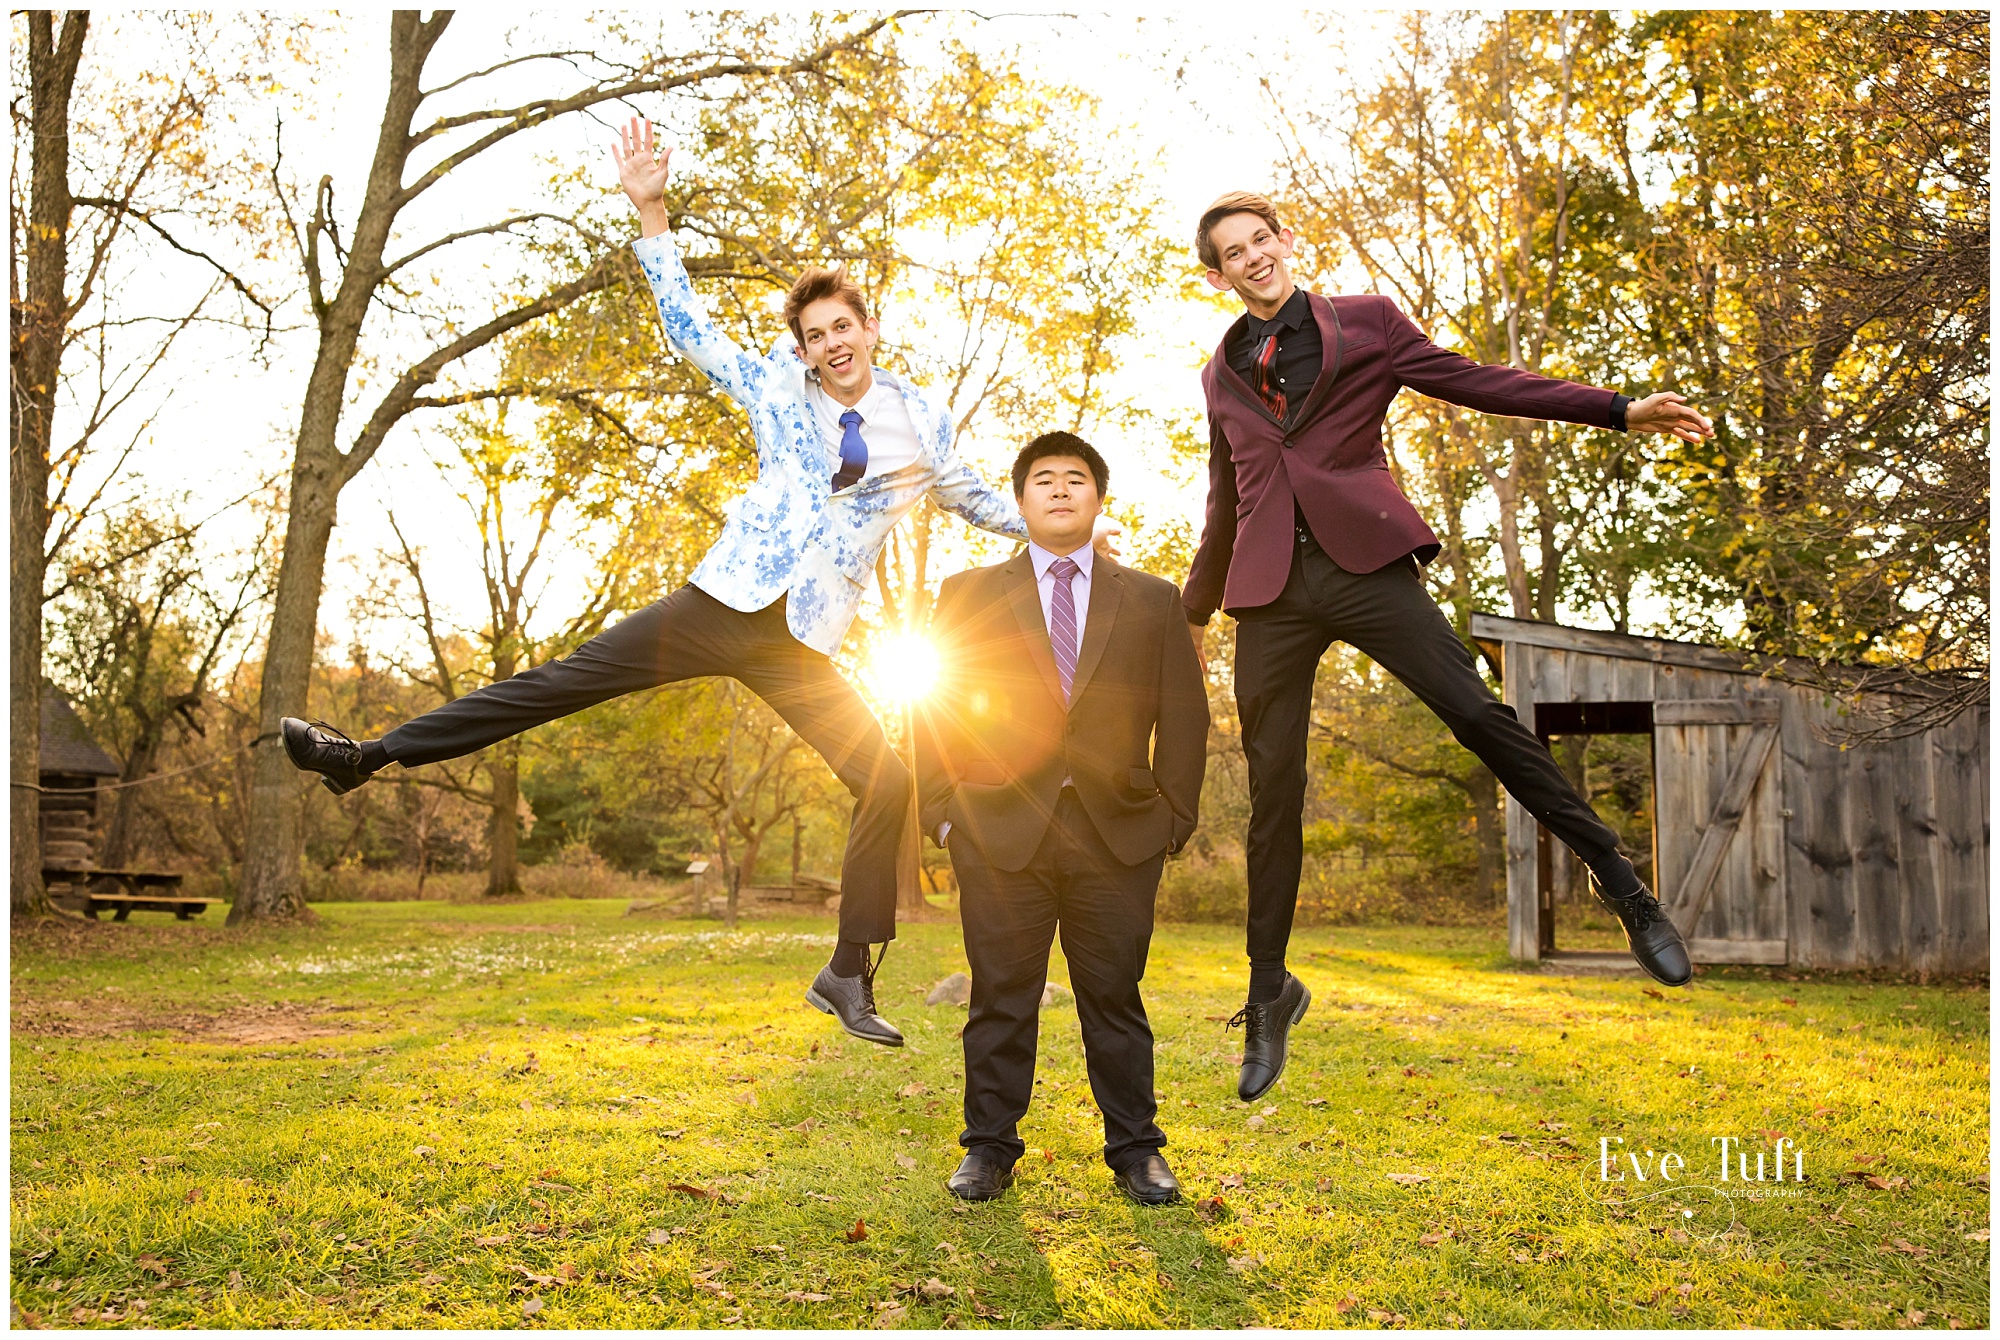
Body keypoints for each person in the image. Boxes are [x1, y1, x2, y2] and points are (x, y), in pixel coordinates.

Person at [279, 117, 1111, 1048]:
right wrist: (652, 210)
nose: (833, 345)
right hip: (721, 603)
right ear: (801, 348)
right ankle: (366, 758)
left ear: (870, 328)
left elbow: (969, 497)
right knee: (555, 682)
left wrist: (1070, 530)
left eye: (844, 327)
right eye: (815, 335)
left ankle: (848, 971)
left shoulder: (922, 420)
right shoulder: (771, 388)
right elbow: (689, 333)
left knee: (887, 777)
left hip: (802, 638)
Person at [1183, 191, 1715, 1103]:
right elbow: (1226, 494)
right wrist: (1191, 611)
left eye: (1260, 241)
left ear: (1284, 242)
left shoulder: (1368, 325)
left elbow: (1477, 379)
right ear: (1218, 274)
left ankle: (1626, 891)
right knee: (1275, 795)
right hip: (1271, 597)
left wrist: (1618, 410)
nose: (1252, 259)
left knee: (1480, 715)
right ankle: (1268, 994)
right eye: (1232, 253)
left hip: (1364, 567)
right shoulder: (1220, 370)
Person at [916, 432, 1209, 1205]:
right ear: (1020, 501)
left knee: (1114, 996)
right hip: (998, 828)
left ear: (1097, 500)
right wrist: (942, 813)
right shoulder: (968, 592)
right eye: (1041, 480)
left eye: (1074, 480)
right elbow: (934, 707)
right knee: (1000, 994)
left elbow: (1185, 711)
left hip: (1117, 833)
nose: (1058, 490)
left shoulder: (1150, 599)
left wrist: (1175, 816)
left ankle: (1138, 1151)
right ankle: (988, 1148)